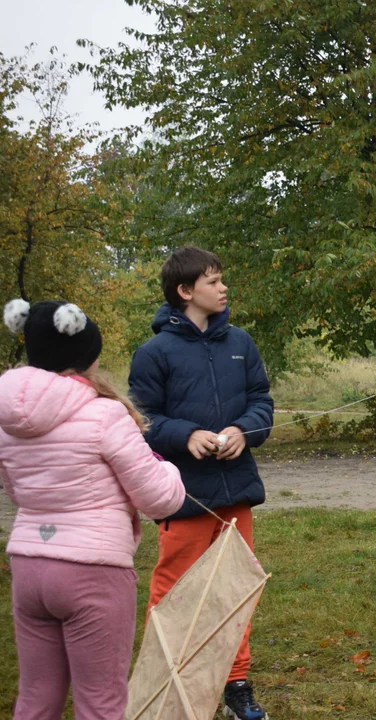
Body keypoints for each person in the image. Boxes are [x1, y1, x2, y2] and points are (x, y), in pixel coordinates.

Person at [1, 298, 186, 720]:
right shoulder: (105, 414)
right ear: (85, 353)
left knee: (35, 698)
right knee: (100, 703)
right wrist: (169, 468)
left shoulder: (6, 421)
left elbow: (17, 491)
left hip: (29, 565)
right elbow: (160, 499)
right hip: (94, 569)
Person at [128, 247, 274, 720]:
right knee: (175, 589)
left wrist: (241, 431)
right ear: (186, 291)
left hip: (236, 490)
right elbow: (142, 418)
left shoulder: (241, 343)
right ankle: (167, 683)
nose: (223, 288)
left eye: (222, 280)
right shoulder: (153, 353)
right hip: (182, 493)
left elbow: (261, 403)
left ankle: (235, 684)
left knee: (234, 587)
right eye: (213, 281)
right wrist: (185, 434)